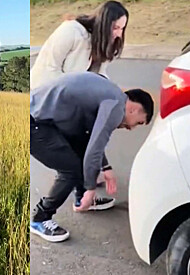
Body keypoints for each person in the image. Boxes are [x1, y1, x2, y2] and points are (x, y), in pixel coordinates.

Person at [29, 72, 154, 242]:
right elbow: (95, 147)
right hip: (34, 123)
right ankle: (40, 218)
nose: (131, 128)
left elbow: (89, 140)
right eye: (138, 122)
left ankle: (81, 200)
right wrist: (91, 188)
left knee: (80, 150)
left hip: (45, 120)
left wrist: (106, 167)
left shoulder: (110, 94)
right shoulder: (115, 107)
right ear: (133, 109)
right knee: (70, 170)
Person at [30, 0, 129, 211]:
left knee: (84, 142)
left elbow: (99, 77)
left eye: (122, 28)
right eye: (115, 27)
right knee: (69, 162)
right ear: (103, 23)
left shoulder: (104, 46)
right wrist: (67, 100)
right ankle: (42, 216)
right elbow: (49, 66)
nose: (119, 34)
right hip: (48, 100)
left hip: (70, 105)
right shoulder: (72, 31)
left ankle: (83, 196)